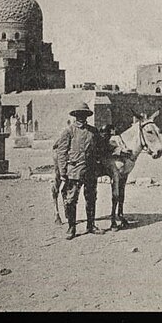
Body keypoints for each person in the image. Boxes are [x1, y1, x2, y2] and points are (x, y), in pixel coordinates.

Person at [54, 102, 106, 240]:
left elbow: (101, 148)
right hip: (74, 172)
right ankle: (72, 227)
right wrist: (63, 171)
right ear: (75, 115)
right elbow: (61, 152)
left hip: (90, 171)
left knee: (91, 198)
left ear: (87, 115)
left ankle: (91, 225)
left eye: (84, 114)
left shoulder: (93, 131)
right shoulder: (68, 131)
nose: (81, 116)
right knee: (71, 200)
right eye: (79, 114)